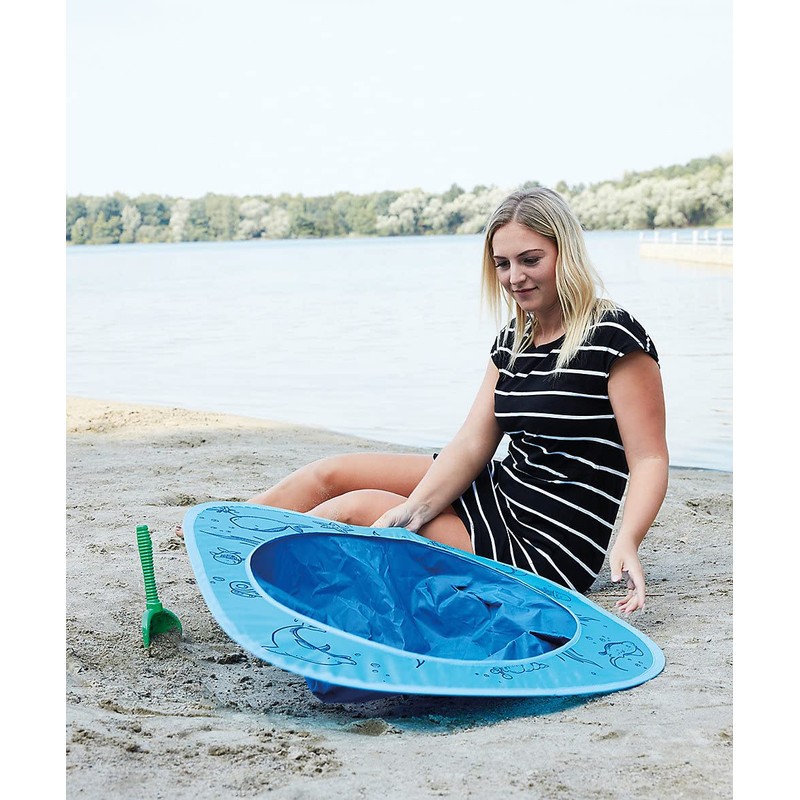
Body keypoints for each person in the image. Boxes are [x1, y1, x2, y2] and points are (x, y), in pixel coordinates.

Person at [247, 187, 669, 616]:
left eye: (530, 260)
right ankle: (229, 531)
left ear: (567, 253)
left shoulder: (615, 337)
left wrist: (629, 538)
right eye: (502, 264)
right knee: (332, 473)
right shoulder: (513, 340)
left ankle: (260, 572)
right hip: (502, 491)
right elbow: (471, 444)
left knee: (355, 508)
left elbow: (649, 457)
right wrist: (416, 508)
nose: (515, 277)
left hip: (544, 547)